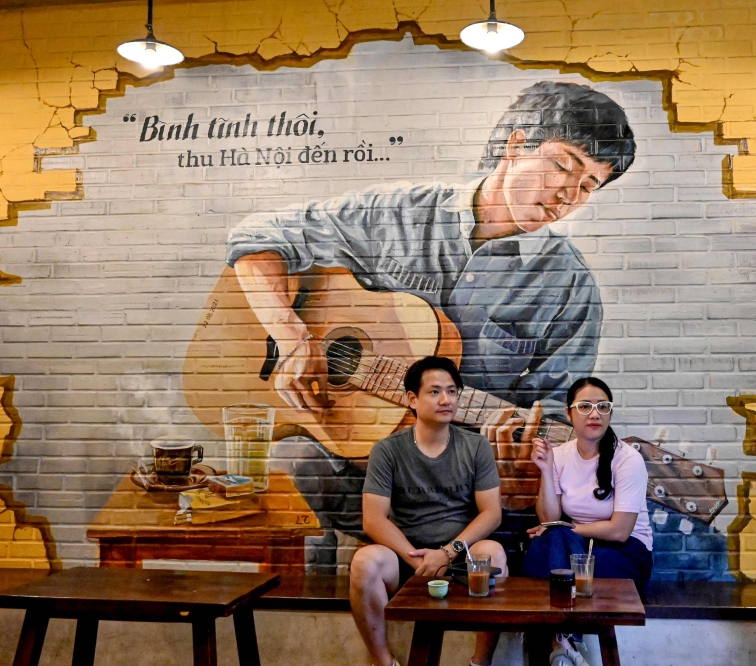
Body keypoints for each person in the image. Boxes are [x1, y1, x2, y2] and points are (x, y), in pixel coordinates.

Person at [225, 80, 635, 442]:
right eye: (562, 165)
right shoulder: (395, 212)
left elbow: (558, 411)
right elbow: (257, 236)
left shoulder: (571, 286)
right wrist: (293, 337)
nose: (569, 195)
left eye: (588, 185)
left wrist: (524, 456)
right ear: (514, 145)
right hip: (340, 442)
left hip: (466, 472)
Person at [349, 356, 507, 666]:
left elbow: (491, 513)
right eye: (435, 392)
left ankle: (480, 663)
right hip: (407, 561)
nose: (446, 399)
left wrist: (447, 553)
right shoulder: (388, 450)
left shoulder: (475, 446)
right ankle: (384, 662)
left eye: (452, 391)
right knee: (364, 562)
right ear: (412, 399)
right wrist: (414, 557)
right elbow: (373, 518)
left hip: (460, 560)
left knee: (494, 553)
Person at [523, 377, 653, 665]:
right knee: (549, 542)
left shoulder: (627, 460)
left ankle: (553, 639)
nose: (594, 413)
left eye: (602, 407)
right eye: (585, 406)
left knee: (558, 553)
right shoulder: (559, 455)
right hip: (577, 548)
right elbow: (548, 518)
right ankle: (565, 643)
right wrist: (545, 470)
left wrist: (568, 528)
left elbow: (620, 531)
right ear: (569, 414)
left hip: (626, 553)